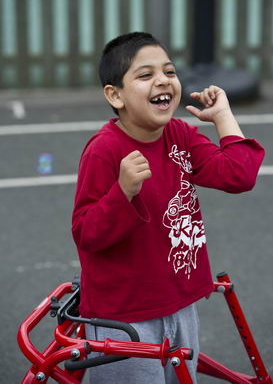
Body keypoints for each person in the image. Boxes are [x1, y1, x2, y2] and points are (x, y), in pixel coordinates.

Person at [71, 32, 264, 383]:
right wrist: (123, 192)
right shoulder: (105, 150)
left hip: (179, 303)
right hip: (125, 316)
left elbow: (238, 176)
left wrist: (223, 117)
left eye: (170, 72)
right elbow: (86, 232)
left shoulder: (181, 135)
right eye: (145, 75)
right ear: (115, 95)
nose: (162, 80)